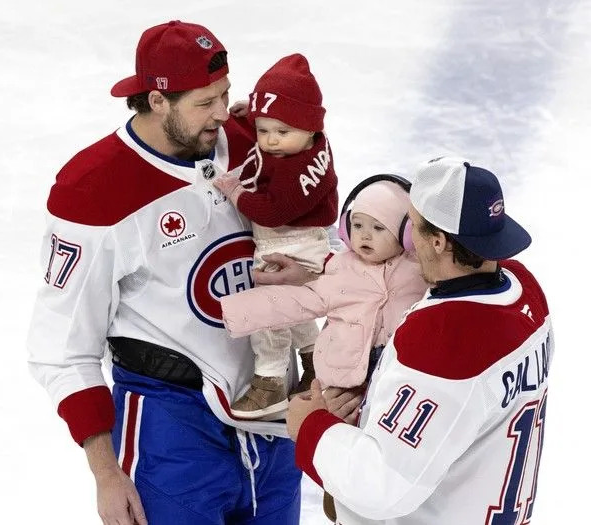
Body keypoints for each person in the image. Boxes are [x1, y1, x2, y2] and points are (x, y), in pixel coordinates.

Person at [26, 20, 360, 525]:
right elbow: (62, 349)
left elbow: (322, 233)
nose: (224, 114)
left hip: (274, 417)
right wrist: (106, 474)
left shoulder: (256, 139)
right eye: (205, 103)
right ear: (157, 100)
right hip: (170, 428)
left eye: (226, 95)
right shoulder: (95, 190)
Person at [287, 156, 553, 525]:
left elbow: (380, 488)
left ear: (439, 241)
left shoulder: (443, 340)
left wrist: (312, 427)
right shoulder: (526, 291)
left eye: (411, 226)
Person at [220, 174, 430, 520]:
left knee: (383, 467)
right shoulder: (341, 268)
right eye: (358, 225)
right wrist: (236, 310)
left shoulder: (418, 271)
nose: (364, 236)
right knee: (342, 469)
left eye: (378, 229)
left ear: (406, 234)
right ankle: (339, 508)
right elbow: (302, 301)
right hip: (344, 381)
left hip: (394, 382)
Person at [213, 54, 339, 419]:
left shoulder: (298, 169)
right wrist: (249, 114)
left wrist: (233, 189)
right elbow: (277, 118)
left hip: (288, 243)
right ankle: (315, 359)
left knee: (267, 313)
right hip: (298, 240)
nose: (269, 141)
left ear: (311, 129)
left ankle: (269, 381)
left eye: (280, 133)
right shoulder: (303, 137)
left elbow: (270, 210)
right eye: (263, 130)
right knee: (295, 309)